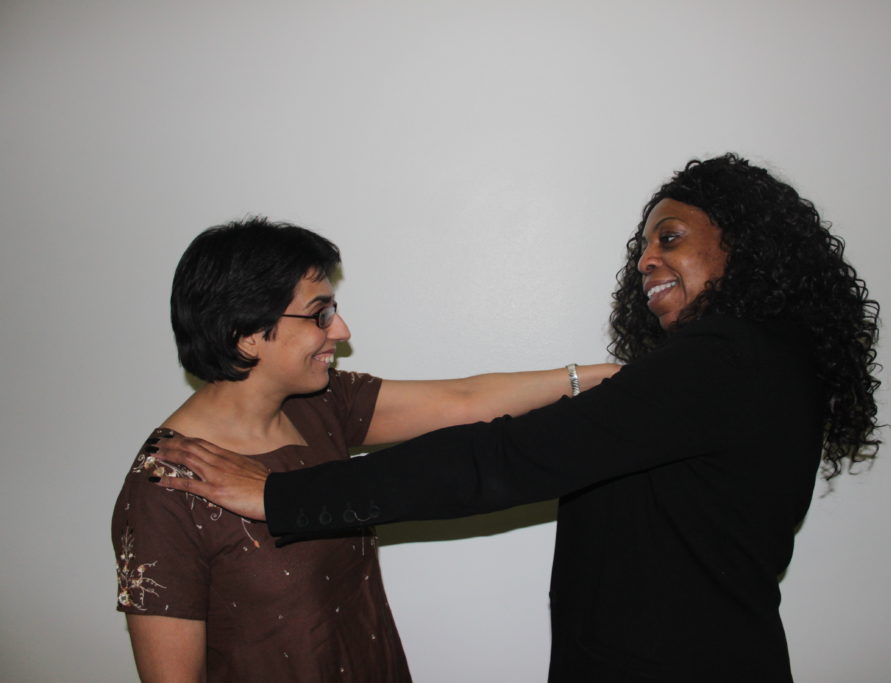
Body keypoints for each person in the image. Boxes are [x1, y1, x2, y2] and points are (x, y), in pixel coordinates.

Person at [152, 154, 882, 682]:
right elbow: (465, 402)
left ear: (741, 242)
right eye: (644, 245)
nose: (645, 262)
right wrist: (584, 379)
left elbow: (501, 458)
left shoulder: (725, 356)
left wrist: (279, 494)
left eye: (671, 237)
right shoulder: (756, 363)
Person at [111, 217, 618, 682]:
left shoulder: (322, 405)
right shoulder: (166, 487)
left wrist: (602, 379)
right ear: (245, 335)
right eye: (320, 313)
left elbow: (464, 399)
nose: (342, 330)